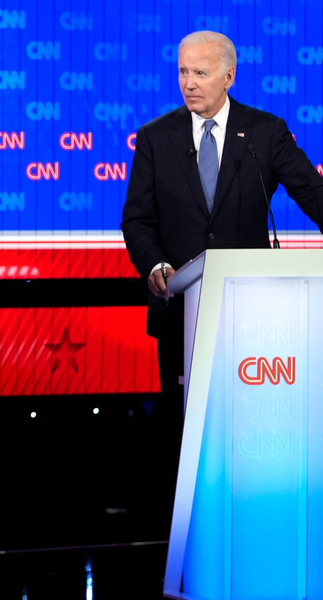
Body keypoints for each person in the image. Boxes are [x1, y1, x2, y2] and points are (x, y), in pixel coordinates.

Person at [121, 30, 323, 531]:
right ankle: (191, 532)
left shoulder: (265, 133)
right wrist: (156, 268)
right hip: (180, 312)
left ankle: (254, 522)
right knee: (186, 430)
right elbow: (137, 221)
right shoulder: (155, 137)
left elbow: (313, 194)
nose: (189, 84)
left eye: (200, 73)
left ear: (228, 76)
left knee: (247, 430)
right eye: (183, 73)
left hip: (254, 320)